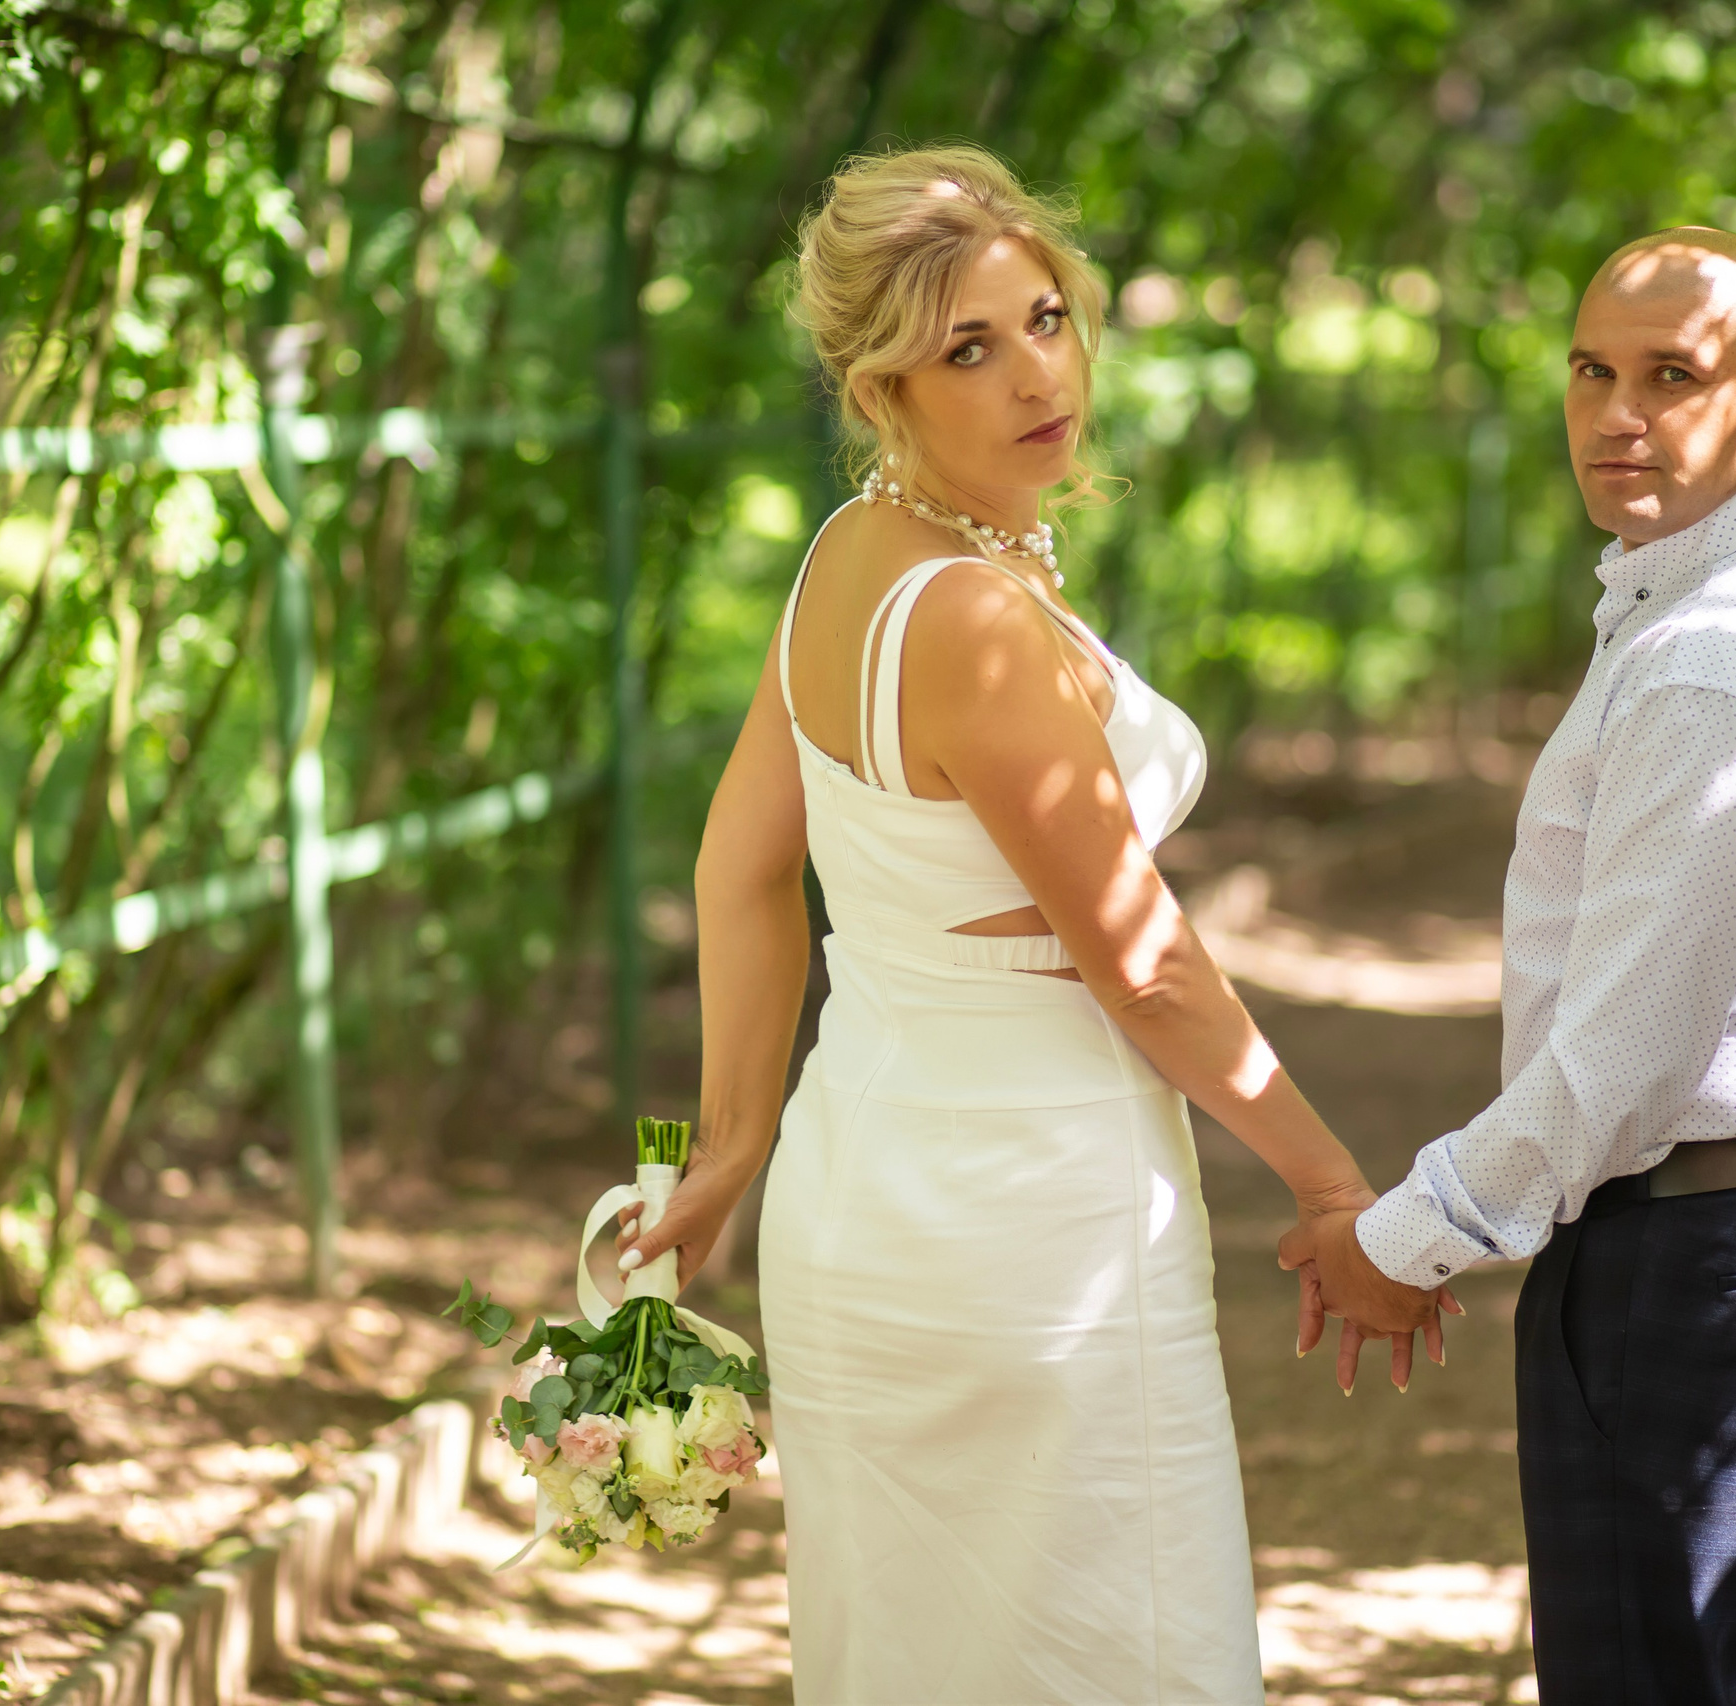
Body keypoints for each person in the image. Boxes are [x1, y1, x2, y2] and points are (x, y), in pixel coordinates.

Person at [615, 144, 1451, 1704]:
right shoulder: (978, 620)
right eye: (967, 349)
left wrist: (740, 1137)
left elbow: (741, 865)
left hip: (859, 1191)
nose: (1032, 376)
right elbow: (1141, 960)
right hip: (1029, 1223)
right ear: (883, 390)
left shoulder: (841, 571)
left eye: (1046, 318)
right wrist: (1341, 1191)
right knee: (1109, 1653)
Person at [1281, 227, 1736, 1702]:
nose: (1617, 413)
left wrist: (1401, 1241)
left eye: (1673, 376)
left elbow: (1621, 1072)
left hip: (1708, 1255)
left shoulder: (1723, 660)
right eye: (1592, 370)